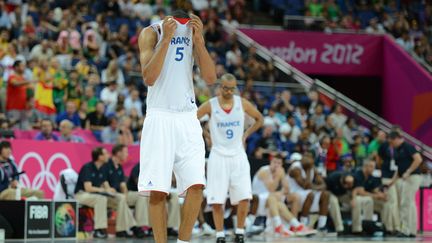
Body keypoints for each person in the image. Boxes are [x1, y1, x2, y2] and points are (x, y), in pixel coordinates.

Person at [137, 9, 216, 243]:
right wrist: (168, 40)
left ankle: (183, 241)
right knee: (158, 190)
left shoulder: (193, 32)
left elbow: (211, 79)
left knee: (197, 185)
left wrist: (199, 42)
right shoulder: (151, 33)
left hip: (187, 117)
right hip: (159, 115)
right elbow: (149, 77)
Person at [196, 73, 264, 243]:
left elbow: (259, 119)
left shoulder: (242, 104)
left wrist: (246, 134)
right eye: (226, 88)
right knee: (217, 198)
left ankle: (240, 231)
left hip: (238, 155)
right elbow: (192, 119)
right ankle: (220, 234)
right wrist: (205, 134)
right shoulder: (211, 105)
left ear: (235, 88)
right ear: (220, 87)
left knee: (244, 196)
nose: (228, 91)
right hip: (218, 155)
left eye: (232, 88)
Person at [74, 147, 136, 239]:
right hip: (82, 194)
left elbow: (104, 183)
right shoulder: (88, 167)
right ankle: (99, 229)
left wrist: (110, 190)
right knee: (101, 199)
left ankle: (121, 229)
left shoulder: (102, 168)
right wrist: (104, 190)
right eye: (106, 153)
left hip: (96, 194)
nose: (108, 155)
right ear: (100, 157)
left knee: (120, 198)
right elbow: (88, 188)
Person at [251, 154, 315, 237]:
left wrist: (280, 190)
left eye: (279, 163)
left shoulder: (281, 172)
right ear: (270, 162)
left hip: (269, 200)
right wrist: (278, 177)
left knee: (286, 200)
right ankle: (292, 226)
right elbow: (271, 189)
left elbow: (287, 189)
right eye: (274, 162)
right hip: (257, 199)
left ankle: (295, 226)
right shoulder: (264, 171)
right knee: (273, 197)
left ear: (281, 165)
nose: (276, 165)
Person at [105, 144, 146, 238]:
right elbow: (104, 183)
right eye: (125, 152)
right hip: (110, 195)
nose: (127, 154)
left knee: (141, 195)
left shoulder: (119, 167)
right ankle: (133, 227)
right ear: (118, 153)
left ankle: (139, 225)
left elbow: (123, 184)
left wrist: (126, 193)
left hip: (120, 194)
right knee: (122, 198)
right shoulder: (107, 165)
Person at [389, 131, 423, 237]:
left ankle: (405, 230)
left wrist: (408, 171)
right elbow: (399, 169)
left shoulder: (407, 146)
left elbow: (418, 159)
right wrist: (392, 181)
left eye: (392, 142)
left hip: (412, 177)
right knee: (410, 204)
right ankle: (412, 230)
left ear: (396, 139)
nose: (391, 145)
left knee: (405, 203)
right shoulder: (397, 150)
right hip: (405, 178)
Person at [286, 152, 330, 232]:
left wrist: (315, 187)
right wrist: (308, 171)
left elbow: (323, 185)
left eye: (310, 158)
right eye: (306, 157)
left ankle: (321, 226)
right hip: (293, 193)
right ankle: (303, 224)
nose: (307, 160)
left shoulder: (312, 167)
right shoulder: (295, 168)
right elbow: (305, 186)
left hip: (306, 193)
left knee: (326, 194)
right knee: (310, 194)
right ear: (301, 159)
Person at [351, 159, 387, 234]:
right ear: (365, 166)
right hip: (353, 197)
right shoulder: (358, 174)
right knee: (365, 200)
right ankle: (357, 229)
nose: (373, 168)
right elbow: (360, 192)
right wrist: (375, 196)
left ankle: (384, 227)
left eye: (373, 166)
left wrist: (381, 195)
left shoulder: (371, 177)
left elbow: (375, 189)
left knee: (384, 204)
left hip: (366, 198)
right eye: (371, 166)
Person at [6, 60, 33, 130]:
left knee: (25, 129)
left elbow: (28, 92)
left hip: (23, 108)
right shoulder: (12, 77)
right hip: (13, 108)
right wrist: (29, 81)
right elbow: (15, 84)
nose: (24, 68)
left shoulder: (23, 79)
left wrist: (29, 102)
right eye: (22, 66)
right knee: (14, 128)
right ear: (16, 67)